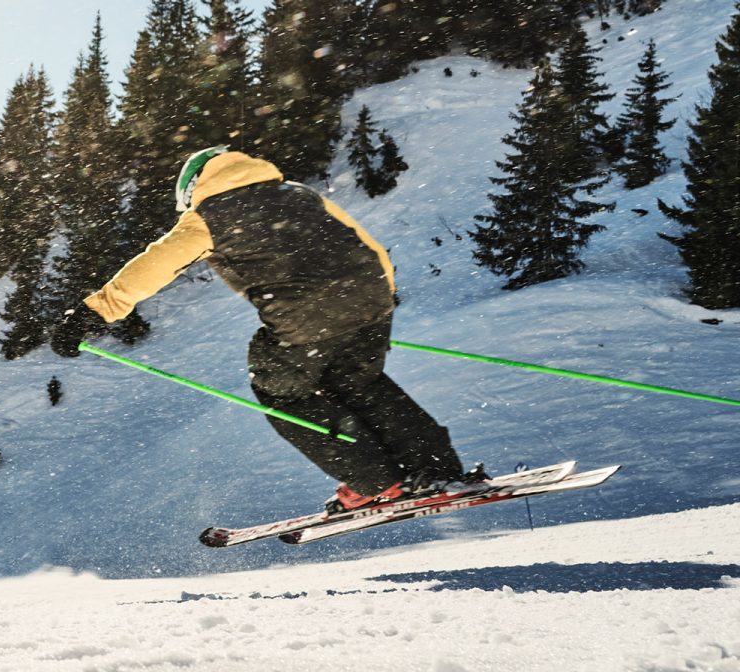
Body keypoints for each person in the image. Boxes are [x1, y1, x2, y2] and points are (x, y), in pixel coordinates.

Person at [81, 147, 473, 512]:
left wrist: (94, 313)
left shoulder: (207, 216)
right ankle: (436, 470)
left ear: (192, 188)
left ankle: (375, 481)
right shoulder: (299, 194)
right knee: (360, 384)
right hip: (371, 298)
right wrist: (373, 300)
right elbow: (367, 244)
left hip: (306, 313)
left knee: (282, 392)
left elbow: (155, 264)